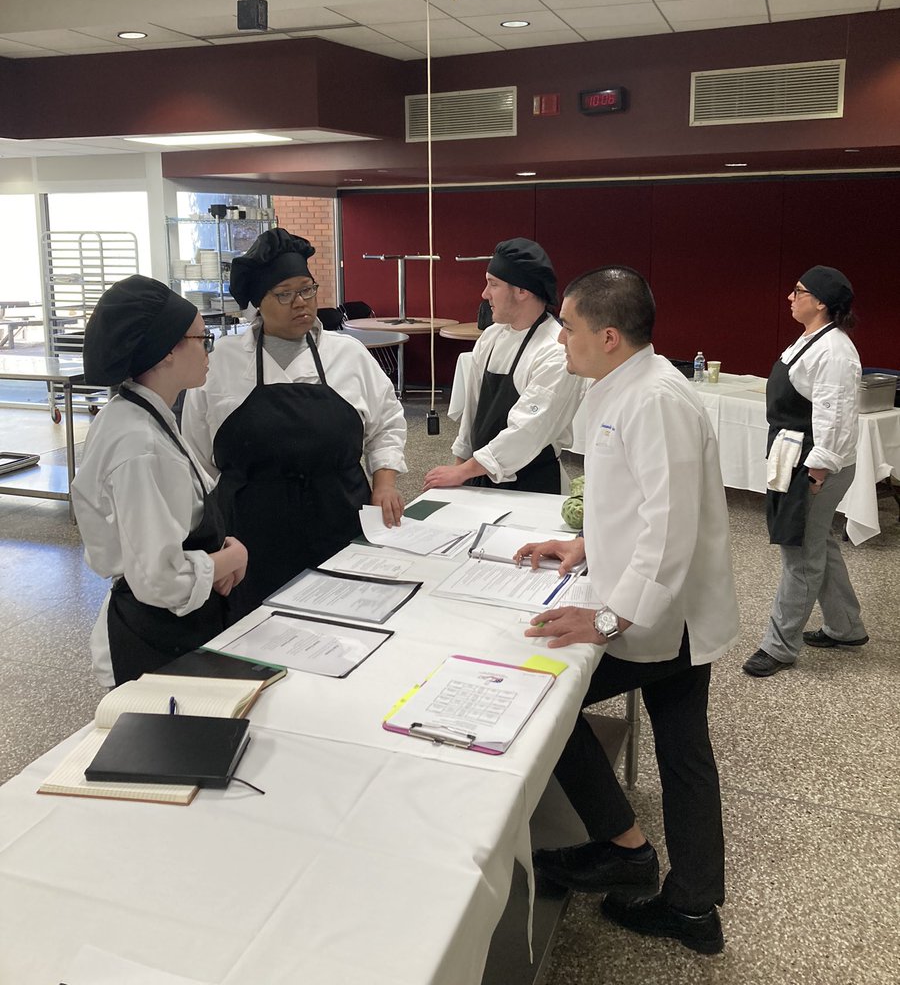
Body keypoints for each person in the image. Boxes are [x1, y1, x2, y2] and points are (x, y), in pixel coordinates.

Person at [517, 266, 740, 956]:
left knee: (546, 698)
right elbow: (636, 503)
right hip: (651, 606)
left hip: (660, 617)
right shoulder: (622, 387)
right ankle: (689, 902)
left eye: (572, 328)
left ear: (609, 336)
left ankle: (628, 850)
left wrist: (610, 621)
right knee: (683, 749)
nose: (561, 339)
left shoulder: (656, 401)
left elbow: (668, 534)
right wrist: (583, 544)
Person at [181, 228, 407, 622]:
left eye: (307, 290)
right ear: (257, 303)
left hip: (339, 519)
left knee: (346, 629)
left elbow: (386, 421)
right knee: (258, 634)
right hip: (251, 535)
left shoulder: (347, 354)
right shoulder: (222, 363)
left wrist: (384, 483)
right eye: (284, 294)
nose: (301, 303)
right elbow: (197, 458)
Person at [73, 275, 248, 687]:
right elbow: (159, 580)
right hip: (155, 637)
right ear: (168, 349)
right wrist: (231, 559)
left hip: (175, 624)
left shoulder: (140, 413)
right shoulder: (139, 443)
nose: (210, 350)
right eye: (203, 339)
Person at [743, 265, 867, 678]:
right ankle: (846, 628)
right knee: (819, 545)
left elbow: (836, 418)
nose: (790, 297)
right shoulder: (813, 340)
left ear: (821, 302)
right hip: (802, 454)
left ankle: (778, 646)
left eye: (798, 291)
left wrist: (817, 473)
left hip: (816, 462)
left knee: (799, 552)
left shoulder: (834, 352)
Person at [424, 238, 583, 495]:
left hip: (532, 484)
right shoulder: (491, 337)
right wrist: (459, 470)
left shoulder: (554, 351)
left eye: (493, 284)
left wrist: (464, 472)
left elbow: (528, 432)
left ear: (523, 291)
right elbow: (472, 413)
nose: (484, 294)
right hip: (479, 474)